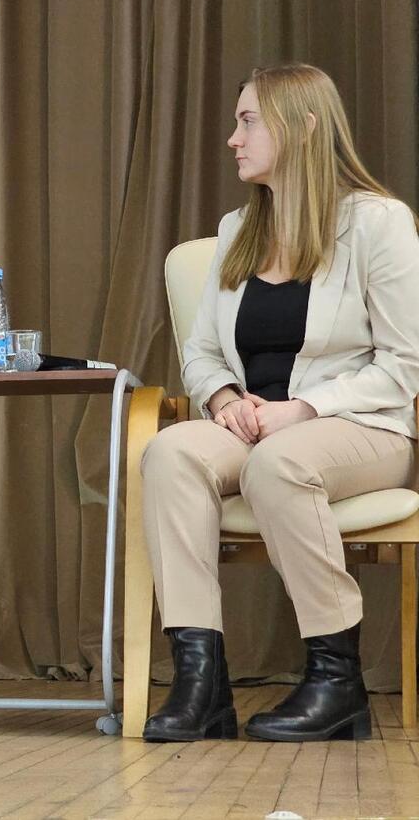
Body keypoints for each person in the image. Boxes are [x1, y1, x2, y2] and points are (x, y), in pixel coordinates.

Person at [141, 64, 419, 743]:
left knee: (279, 464)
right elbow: (203, 349)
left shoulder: (377, 223)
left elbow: (404, 363)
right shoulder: (238, 228)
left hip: (359, 427)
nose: (234, 138)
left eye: (248, 121)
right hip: (257, 424)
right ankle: (201, 682)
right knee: (169, 451)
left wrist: (307, 408)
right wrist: (226, 395)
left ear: (304, 126)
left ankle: (336, 679)